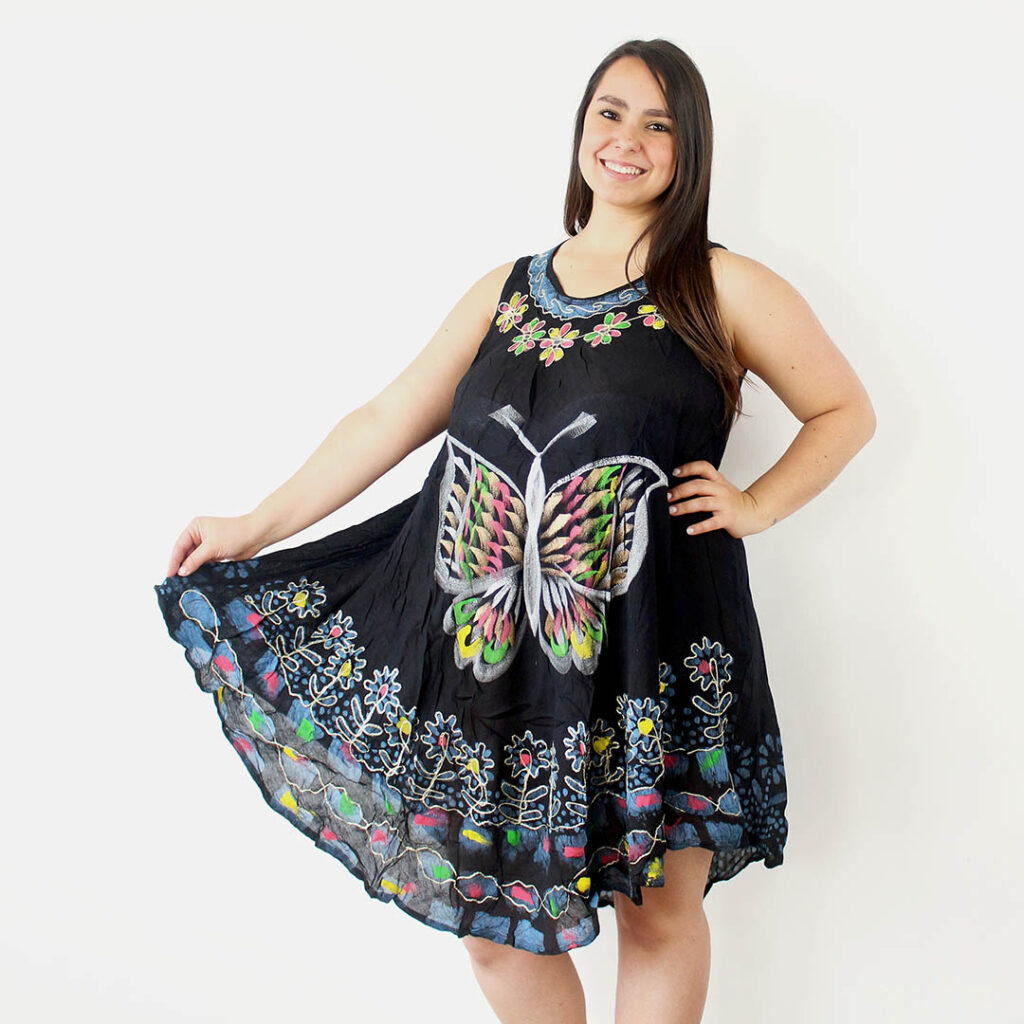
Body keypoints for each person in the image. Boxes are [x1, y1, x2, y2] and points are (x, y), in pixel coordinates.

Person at [154, 38, 875, 1024]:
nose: (626, 140)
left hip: (654, 649)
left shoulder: (722, 286)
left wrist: (756, 503)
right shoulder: (504, 289)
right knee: (493, 932)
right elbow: (385, 419)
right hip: (494, 669)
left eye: (658, 125)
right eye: (610, 113)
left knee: (657, 914)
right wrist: (253, 522)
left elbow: (842, 410)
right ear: (582, 128)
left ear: (691, 149)